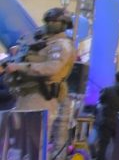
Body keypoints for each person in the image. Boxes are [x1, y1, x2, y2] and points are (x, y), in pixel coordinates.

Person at [5, 8, 76, 142]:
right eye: (48, 21)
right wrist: (19, 53)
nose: (49, 24)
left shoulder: (61, 44)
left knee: (34, 139)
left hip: (41, 95)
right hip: (25, 94)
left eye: (54, 21)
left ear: (64, 24)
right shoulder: (42, 41)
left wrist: (20, 67)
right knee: (19, 139)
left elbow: (52, 68)